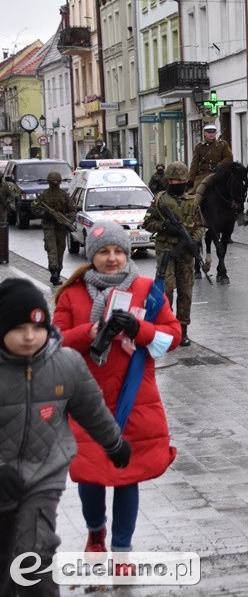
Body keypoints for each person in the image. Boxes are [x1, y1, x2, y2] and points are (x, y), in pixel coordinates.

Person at [53, 221, 179, 556]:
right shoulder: (73, 293)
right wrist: (88, 333)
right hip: (86, 402)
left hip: (133, 399)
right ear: (92, 255)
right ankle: (96, 533)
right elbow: (53, 342)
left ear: (128, 253)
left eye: (119, 251)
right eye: (105, 252)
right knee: (89, 473)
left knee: (128, 475)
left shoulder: (146, 289)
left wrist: (141, 329)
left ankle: (122, 547)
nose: (113, 258)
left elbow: (173, 336)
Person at [0, 278, 131, 596]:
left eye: (38, 327)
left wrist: (113, 442)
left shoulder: (64, 364)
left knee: (35, 553)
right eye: (19, 329)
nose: (30, 337)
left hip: (42, 478)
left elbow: (91, 406)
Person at [143, 161, 205, 347]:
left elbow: (201, 225)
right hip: (166, 252)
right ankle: (167, 326)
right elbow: (146, 223)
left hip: (186, 253)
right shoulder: (160, 200)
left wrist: (192, 241)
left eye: (178, 180)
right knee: (167, 289)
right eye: (171, 179)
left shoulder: (193, 201)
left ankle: (183, 328)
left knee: (186, 291)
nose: (174, 182)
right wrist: (164, 226)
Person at [32, 170, 76, 285]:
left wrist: (67, 221)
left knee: (60, 250)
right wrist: (45, 214)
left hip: (61, 228)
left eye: (57, 180)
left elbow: (72, 210)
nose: (55, 182)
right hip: (49, 226)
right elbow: (34, 208)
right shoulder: (44, 195)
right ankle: (53, 271)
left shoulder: (64, 195)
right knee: (51, 249)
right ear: (49, 182)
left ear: (60, 181)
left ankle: (58, 271)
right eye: (53, 181)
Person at [187, 123, 233, 205]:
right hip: (204, 174)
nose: (211, 134)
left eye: (213, 132)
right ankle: (196, 207)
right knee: (195, 191)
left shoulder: (222, 145)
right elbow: (194, 164)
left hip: (219, 173)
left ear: (215, 133)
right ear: (205, 133)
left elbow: (229, 158)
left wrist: (220, 165)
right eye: (209, 132)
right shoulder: (199, 147)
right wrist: (191, 179)